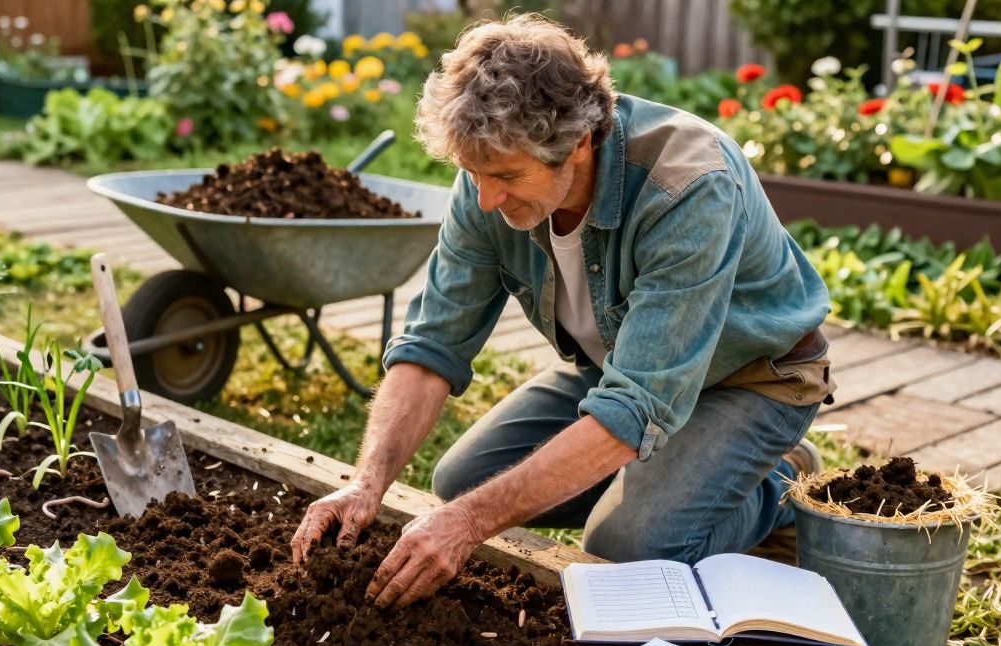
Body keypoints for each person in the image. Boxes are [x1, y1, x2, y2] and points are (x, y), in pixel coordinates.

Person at [290, 14, 834, 608]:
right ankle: (679, 480)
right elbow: (430, 347)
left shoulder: (689, 186)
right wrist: (366, 485)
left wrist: (467, 526)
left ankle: (780, 483)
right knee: (460, 484)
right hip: (619, 366)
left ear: (579, 143)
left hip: (750, 380)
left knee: (624, 548)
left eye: (504, 176)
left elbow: (636, 407)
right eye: (471, 173)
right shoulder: (486, 184)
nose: (485, 198)